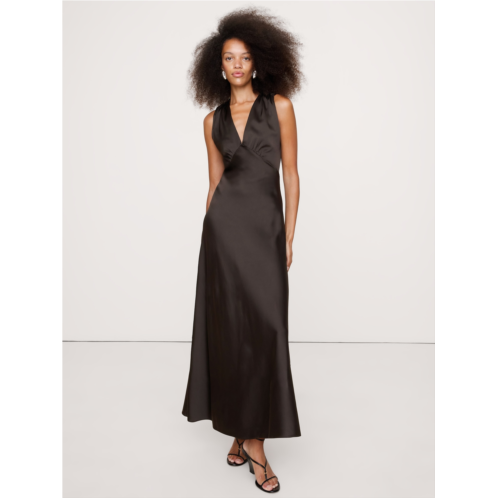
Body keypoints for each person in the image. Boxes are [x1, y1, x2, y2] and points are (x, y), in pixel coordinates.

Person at [182, 8, 303, 493]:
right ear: (218, 65)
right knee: (232, 333)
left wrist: (288, 236)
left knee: (267, 329)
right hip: (224, 237)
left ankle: (245, 433)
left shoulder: (280, 107)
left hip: (266, 233)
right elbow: (214, 187)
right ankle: (251, 441)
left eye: (245, 57)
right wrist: (208, 241)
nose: (237, 65)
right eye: (229, 58)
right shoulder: (211, 121)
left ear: (258, 62)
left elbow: (291, 174)